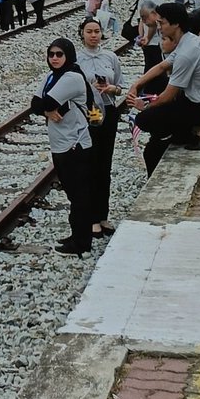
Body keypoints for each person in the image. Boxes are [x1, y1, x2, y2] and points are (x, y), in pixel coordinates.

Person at [127, 3, 200, 175]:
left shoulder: (187, 52)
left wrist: (147, 106)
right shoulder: (190, 41)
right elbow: (161, 66)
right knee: (158, 117)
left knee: (144, 120)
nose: (159, 28)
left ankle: (195, 132)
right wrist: (137, 84)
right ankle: (188, 131)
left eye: (162, 23)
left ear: (176, 24)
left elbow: (168, 96)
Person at [30, 38, 93, 256]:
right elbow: (35, 105)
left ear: (68, 56)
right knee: (73, 193)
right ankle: (77, 235)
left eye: (59, 54)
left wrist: (45, 108)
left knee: (79, 194)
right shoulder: (51, 77)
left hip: (75, 144)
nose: (55, 58)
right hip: (60, 143)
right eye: (51, 54)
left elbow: (45, 102)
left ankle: (82, 242)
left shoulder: (72, 77)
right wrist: (46, 110)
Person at [76, 17, 123, 238]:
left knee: (105, 164)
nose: (93, 35)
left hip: (108, 112)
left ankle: (102, 215)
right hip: (87, 114)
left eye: (96, 31)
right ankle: (91, 217)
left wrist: (112, 88)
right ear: (82, 34)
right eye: (89, 32)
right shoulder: (76, 60)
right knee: (89, 164)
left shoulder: (110, 57)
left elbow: (121, 87)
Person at [136, 0, 167, 93]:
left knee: (149, 65)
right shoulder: (159, 0)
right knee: (156, 68)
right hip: (156, 40)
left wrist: (141, 37)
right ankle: (150, 92)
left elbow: (141, 21)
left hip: (146, 40)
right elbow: (153, 23)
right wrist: (147, 38)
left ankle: (145, 90)